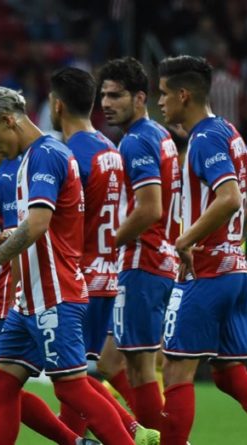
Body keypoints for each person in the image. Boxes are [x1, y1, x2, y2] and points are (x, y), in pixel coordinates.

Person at [0, 86, 136, 445]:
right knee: (1, 383)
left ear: (9, 121)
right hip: (29, 299)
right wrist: (9, 238)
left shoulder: (47, 154)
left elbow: (38, 224)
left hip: (56, 293)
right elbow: (42, 224)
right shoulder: (29, 159)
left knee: (71, 388)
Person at [156, 55, 247, 445]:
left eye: (164, 93)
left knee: (175, 371)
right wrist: (238, 238)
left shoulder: (204, 139)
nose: (160, 102)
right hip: (234, 271)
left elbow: (230, 196)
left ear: (183, 95)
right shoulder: (228, 131)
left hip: (205, 272)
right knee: (229, 375)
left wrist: (187, 239)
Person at [49, 66, 155, 441]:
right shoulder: (111, 149)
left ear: (57, 105)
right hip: (108, 277)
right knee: (77, 380)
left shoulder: (68, 155)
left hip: (77, 279)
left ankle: (135, 433)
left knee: (67, 382)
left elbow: (61, 220)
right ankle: (134, 431)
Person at [97, 56, 180, 429]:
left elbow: (149, 209)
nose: (106, 104)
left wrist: (107, 244)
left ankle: (159, 438)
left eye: (116, 96)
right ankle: (139, 432)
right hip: (158, 259)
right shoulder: (160, 135)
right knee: (110, 362)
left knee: (141, 366)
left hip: (142, 261)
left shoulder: (136, 142)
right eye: (103, 96)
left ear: (140, 98)